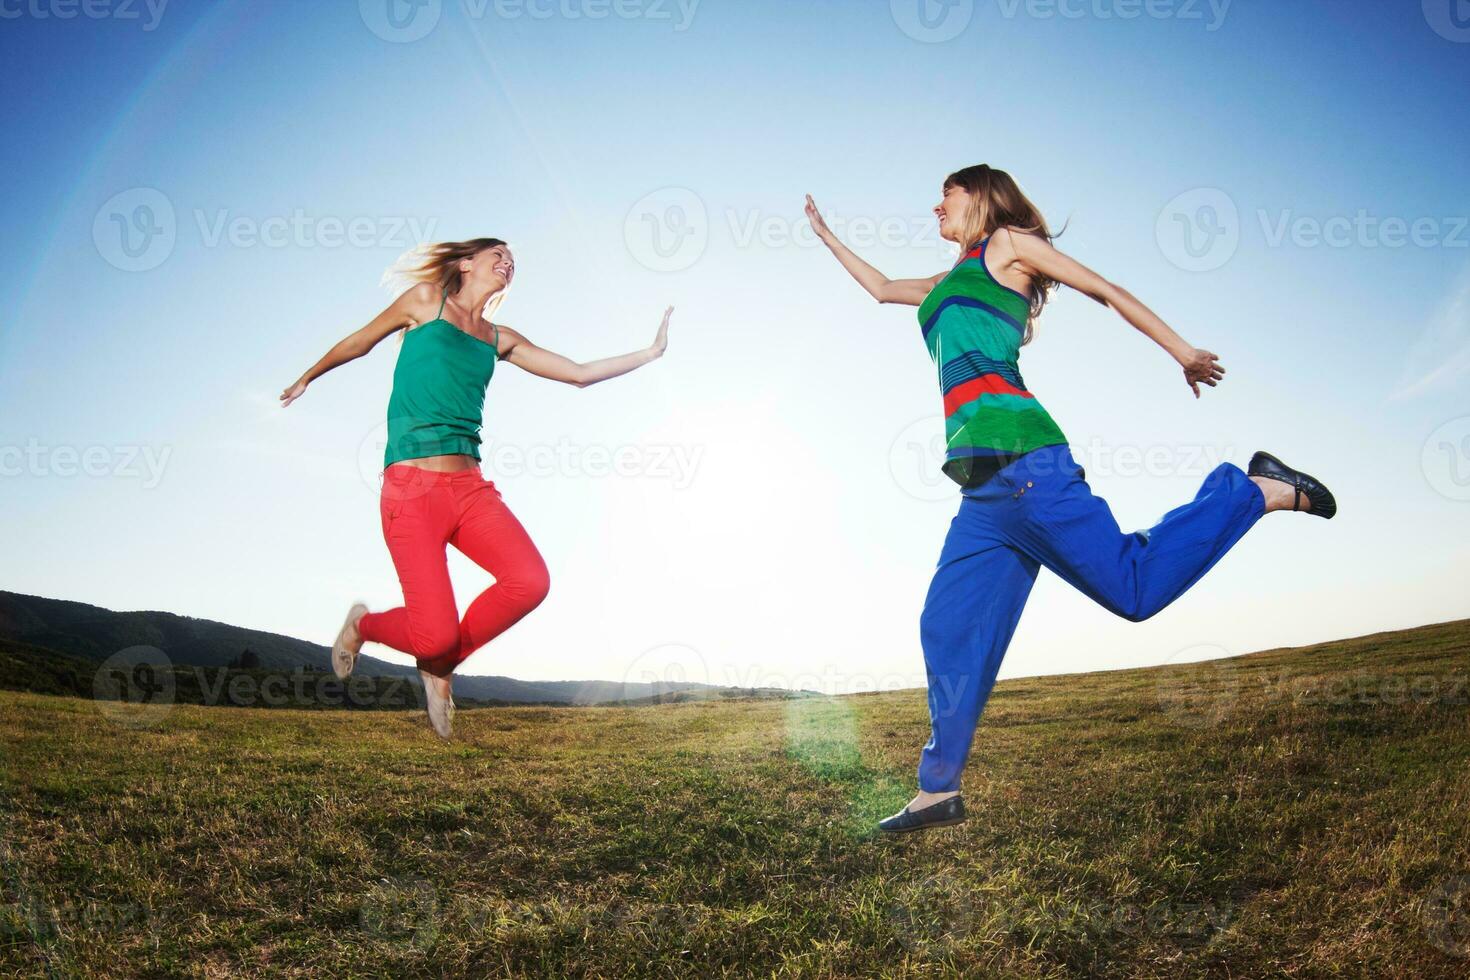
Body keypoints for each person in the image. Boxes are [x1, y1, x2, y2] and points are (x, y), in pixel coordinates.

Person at [805, 166, 1335, 833]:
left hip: (1032, 469)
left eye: (945, 193)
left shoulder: (1008, 245)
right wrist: (826, 235)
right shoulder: (944, 283)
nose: (933, 205)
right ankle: (938, 790)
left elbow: (1103, 289)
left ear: (979, 195)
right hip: (982, 497)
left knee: (1133, 590)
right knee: (946, 625)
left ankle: (1253, 491)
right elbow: (882, 288)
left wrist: (1183, 352)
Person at [280, 238, 672, 738]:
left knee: (529, 581)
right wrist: (308, 377)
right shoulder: (426, 302)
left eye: (514, 261)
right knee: (435, 633)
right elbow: (361, 341)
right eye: (499, 253)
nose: (508, 262)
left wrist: (651, 352)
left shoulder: (497, 338)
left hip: (470, 489)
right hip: (411, 489)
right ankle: (364, 627)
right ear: (466, 262)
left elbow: (577, 374)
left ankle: (439, 666)